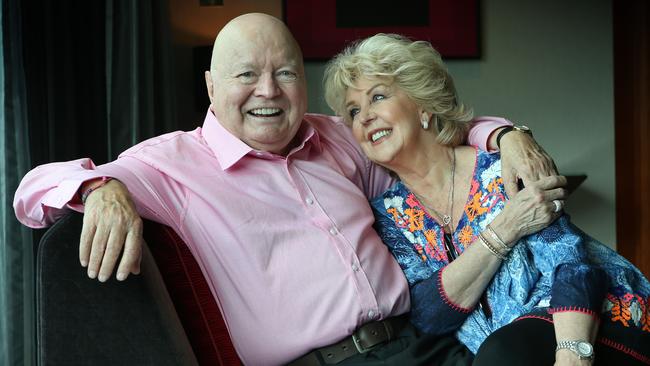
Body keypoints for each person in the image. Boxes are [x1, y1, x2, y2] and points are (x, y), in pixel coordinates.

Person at [15, 14, 558, 366]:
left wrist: (506, 136)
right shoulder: (171, 165)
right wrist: (104, 187)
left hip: (425, 341)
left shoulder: (337, 137)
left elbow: (429, 135)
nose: (268, 92)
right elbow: (31, 190)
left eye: (286, 74)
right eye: (246, 75)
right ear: (210, 85)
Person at [322, 33, 650, 365]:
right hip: (504, 352)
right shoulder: (390, 216)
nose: (364, 117)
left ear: (422, 105)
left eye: (378, 97)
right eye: (353, 111)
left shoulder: (503, 169)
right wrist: (504, 230)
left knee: (505, 351)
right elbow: (428, 314)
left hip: (596, 326)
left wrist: (573, 354)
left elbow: (570, 265)